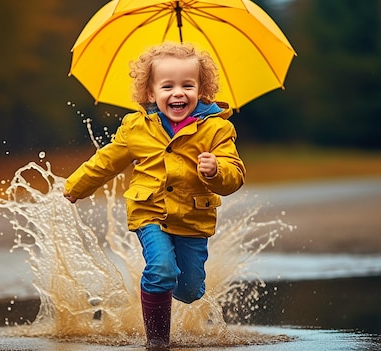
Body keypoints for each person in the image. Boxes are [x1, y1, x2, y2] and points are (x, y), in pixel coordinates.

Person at [63, 42, 246, 349]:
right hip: (150, 213)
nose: (178, 93)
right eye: (168, 85)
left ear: (201, 90)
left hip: (193, 217)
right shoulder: (136, 128)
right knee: (161, 270)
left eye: (188, 85)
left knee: (189, 290)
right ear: (150, 93)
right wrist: (75, 186)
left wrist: (216, 171)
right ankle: (157, 341)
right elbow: (107, 161)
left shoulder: (217, 129)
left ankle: (164, 286)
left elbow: (235, 175)